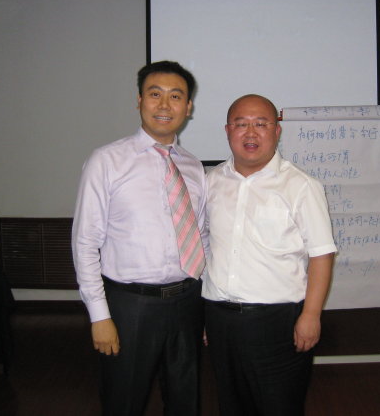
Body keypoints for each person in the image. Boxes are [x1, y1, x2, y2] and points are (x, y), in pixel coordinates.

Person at [71, 61, 208, 416]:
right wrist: (99, 316)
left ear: (188, 107)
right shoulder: (107, 161)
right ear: (139, 101)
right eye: (155, 94)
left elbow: (201, 236)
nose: (164, 105)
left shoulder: (193, 166)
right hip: (130, 306)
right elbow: (85, 243)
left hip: (188, 301)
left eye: (175, 96)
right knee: (124, 400)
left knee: (185, 399)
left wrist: (206, 306)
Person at [202, 94, 337, 416]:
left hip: (278, 321)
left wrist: (311, 315)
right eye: (241, 124)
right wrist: (206, 317)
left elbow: (322, 255)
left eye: (261, 124)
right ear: (227, 131)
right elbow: (206, 247)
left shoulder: (301, 186)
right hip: (220, 317)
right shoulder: (210, 182)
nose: (250, 133)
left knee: (280, 405)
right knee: (231, 405)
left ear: (277, 131)